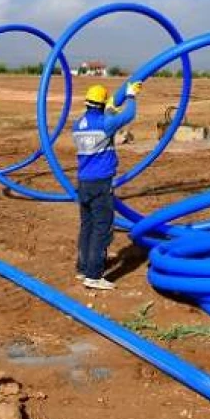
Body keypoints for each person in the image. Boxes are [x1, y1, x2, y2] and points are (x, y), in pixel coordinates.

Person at [72, 81, 142, 290]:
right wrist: (130, 95)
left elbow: (108, 120)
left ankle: (83, 268)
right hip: (100, 183)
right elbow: (128, 115)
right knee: (102, 228)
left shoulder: (78, 123)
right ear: (101, 104)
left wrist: (110, 106)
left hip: (83, 182)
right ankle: (93, 276)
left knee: (87, 226)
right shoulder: (104, 124)